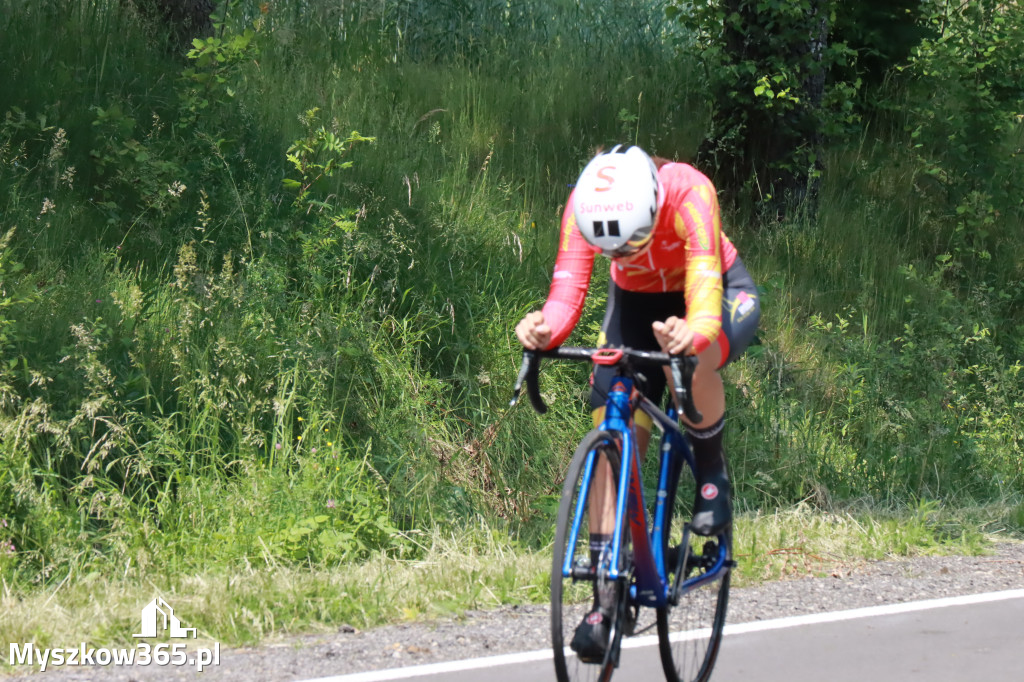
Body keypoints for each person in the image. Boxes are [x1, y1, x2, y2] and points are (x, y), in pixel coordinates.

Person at [514, 145, 760, 661]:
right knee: (614, 426)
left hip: (712, 291)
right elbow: (567, 290)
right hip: (636, 304)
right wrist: (542, 329)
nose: (623, 255)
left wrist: (691, 334)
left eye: (634, 243)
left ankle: (713, 479)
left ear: (652, 208)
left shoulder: (689, 192)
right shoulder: (587, 206)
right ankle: (605, 596)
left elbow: (704, 290)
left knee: (699, 360)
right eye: (614, 251)